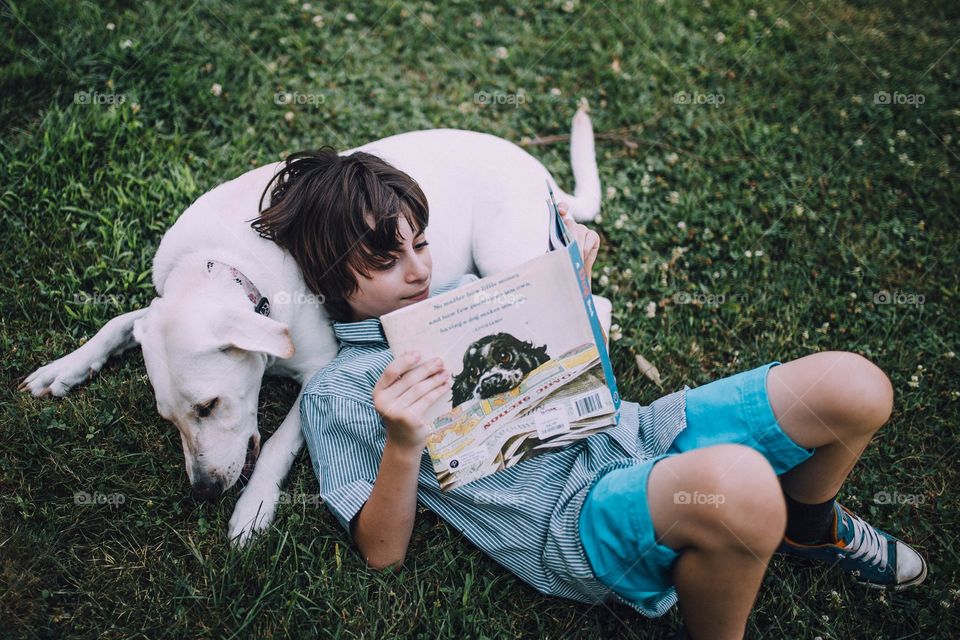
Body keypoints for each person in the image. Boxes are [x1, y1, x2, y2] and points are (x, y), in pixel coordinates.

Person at [251, 149, 927, 640]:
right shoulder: (338, 392)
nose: (420, 270)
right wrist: (403, 443)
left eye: (421, 245)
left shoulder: (468, 297)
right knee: (742, 488)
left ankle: (809, 532)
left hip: (639, 435)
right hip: (570, 518)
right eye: (386, 260)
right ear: (331, 277)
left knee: (855, 387)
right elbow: (381, 554)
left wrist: (569, 292)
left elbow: (585, 387)